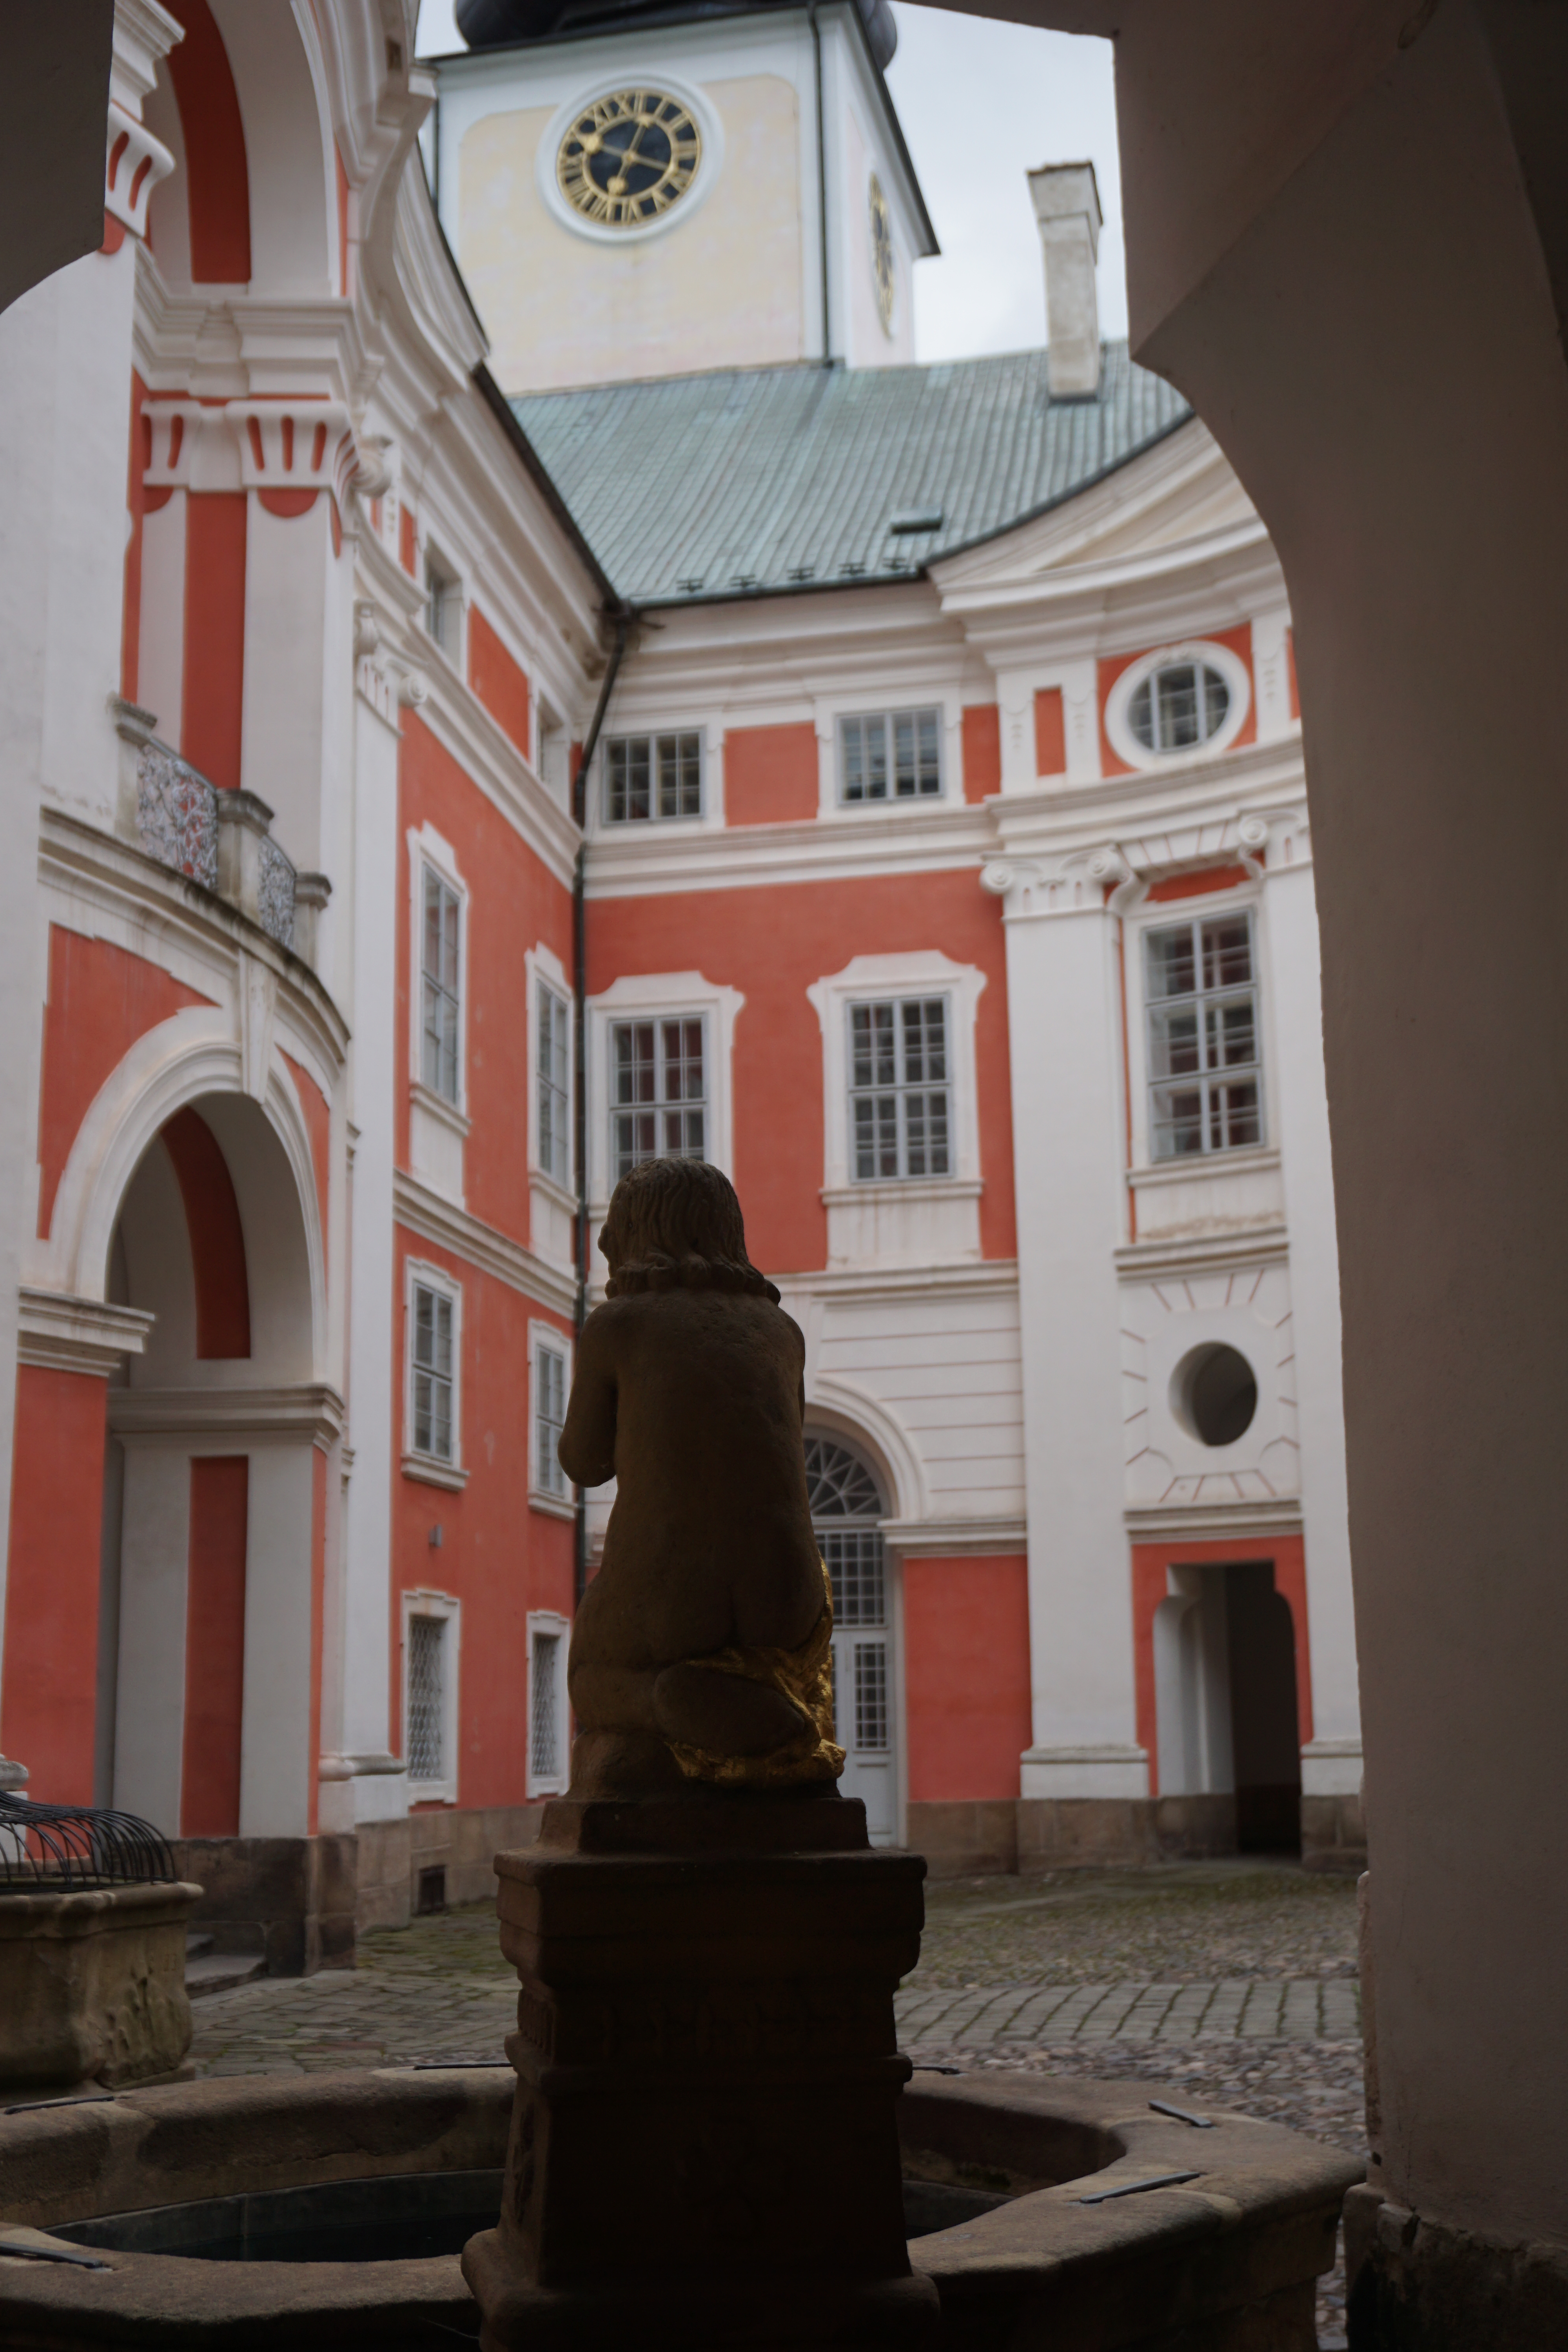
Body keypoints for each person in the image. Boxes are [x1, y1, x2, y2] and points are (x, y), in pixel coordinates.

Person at [559, 1156, 842, 1794]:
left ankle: (671, 1701)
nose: (604, 1242)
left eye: (618, 1226)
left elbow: (585, 1462)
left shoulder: (618, 1326)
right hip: (790, 1601)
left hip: (672, 1594)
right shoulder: (783, 1332)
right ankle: (768, 1710)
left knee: (590, 1677)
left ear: (643, 1232)